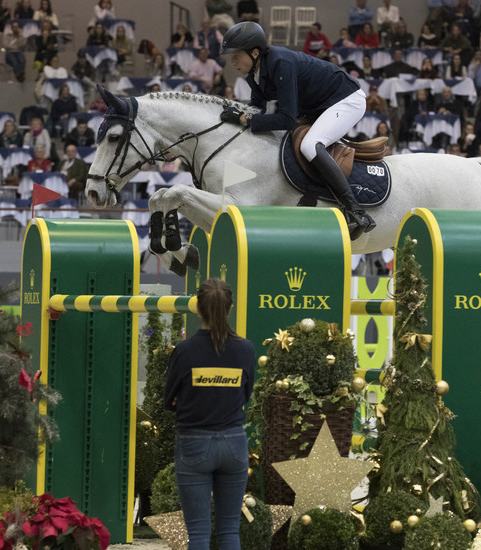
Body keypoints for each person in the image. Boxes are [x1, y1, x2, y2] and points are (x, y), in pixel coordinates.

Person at [220, 21, 375, 239]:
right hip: (320, 105)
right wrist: (236, 115)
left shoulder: (280, 62)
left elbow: (286, 118)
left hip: (346, 100)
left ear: (255, 52)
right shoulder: (253, 73)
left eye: (236, 54)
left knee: (310, 145)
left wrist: (245, 119)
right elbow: (257, 108)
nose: (232, 60)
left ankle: (356, 212)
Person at [163, 278, 255, 550]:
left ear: (197, 307)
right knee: (229, 531)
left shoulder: (185, 351)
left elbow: (169, 400)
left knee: (200, 534)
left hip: (194, 442)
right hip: (233, 442)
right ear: (230, 308)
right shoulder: (245, 349)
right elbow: (245, 395)